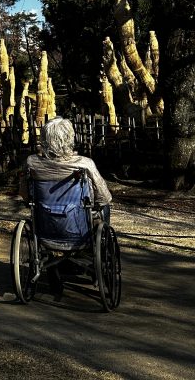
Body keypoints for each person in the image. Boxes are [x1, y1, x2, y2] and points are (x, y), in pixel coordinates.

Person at [25, 116, 112, 297]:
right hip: (78, 228)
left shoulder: (32, 163)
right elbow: (104, 197)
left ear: (45, 139)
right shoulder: (84, 164)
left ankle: (52, 263)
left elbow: (26, 196)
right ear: (70, 138)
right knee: (105, 208)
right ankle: (101, 256)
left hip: (45, 227)